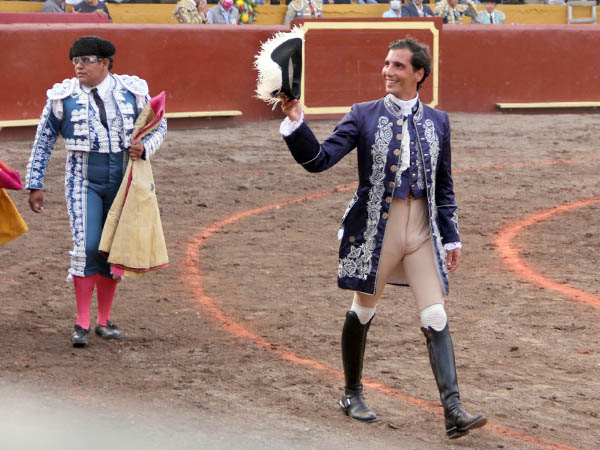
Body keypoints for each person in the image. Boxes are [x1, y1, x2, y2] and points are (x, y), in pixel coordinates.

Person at [279, 37, 487, 439]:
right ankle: (352, 393)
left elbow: (443, 185)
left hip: (422, 230)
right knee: (362, 311)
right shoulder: (363, 114)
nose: (388, 71)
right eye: (387, 64)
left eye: (398, 66)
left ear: (419, 74)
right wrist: (295, 123)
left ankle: (453, 410)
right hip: (377, 231)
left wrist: (452, 237)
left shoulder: (438, 121)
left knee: (435, 315)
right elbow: (319, 161)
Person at [25, 36, 167, 347]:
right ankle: (82, 321)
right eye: (75, 61)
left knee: (113, 248)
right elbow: (43, 140)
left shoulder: (133, 91)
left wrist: (146, 148)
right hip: (82, 178)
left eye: (86, 61)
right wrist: (35, 183)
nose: (79, 66)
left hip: (123, 178)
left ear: (105, 63)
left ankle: (104, 319)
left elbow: (159, 125)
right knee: (87, 246)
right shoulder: (62, 97)